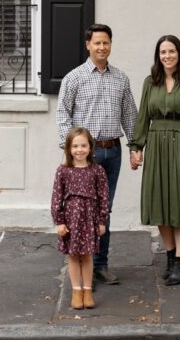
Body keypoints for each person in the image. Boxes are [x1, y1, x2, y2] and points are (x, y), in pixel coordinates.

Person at [56, 24, 139, 286]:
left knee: (104, 210)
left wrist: (135, 147)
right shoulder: (74, 78)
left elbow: (130, 115)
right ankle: (80, 261)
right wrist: (70, 151)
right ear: (88, 45)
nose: (102, 47)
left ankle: (100, 264)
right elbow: (62, 115)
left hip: (112, 151)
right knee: (80, 210)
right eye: (97, 43)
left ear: (111, 45)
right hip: (85, 157)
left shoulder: (121, 79)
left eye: (106, 43)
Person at [129, 34, 180, 286]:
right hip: (156, 144)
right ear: (157, 56)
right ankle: (171, 257)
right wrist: (136, 146)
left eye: (172, 51)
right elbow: (142, 118)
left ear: (179, 54)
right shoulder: (150, 83)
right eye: (163, 52)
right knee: (159, 203)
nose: (167, 56)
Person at [51, 127, 109, 310]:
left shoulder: (97, 170)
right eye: (75, 146)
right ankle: (76, 291)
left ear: (91, 147)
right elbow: (56, 197)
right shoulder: (63, 171)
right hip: (71, 221)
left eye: (83, 145)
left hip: (89, 219)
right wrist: (59, 221)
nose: (79, 149)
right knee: (74, 255)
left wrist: (101, 221)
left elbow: (103, 197)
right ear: (68, 149)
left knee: (87, 254)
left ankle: (87, 290)